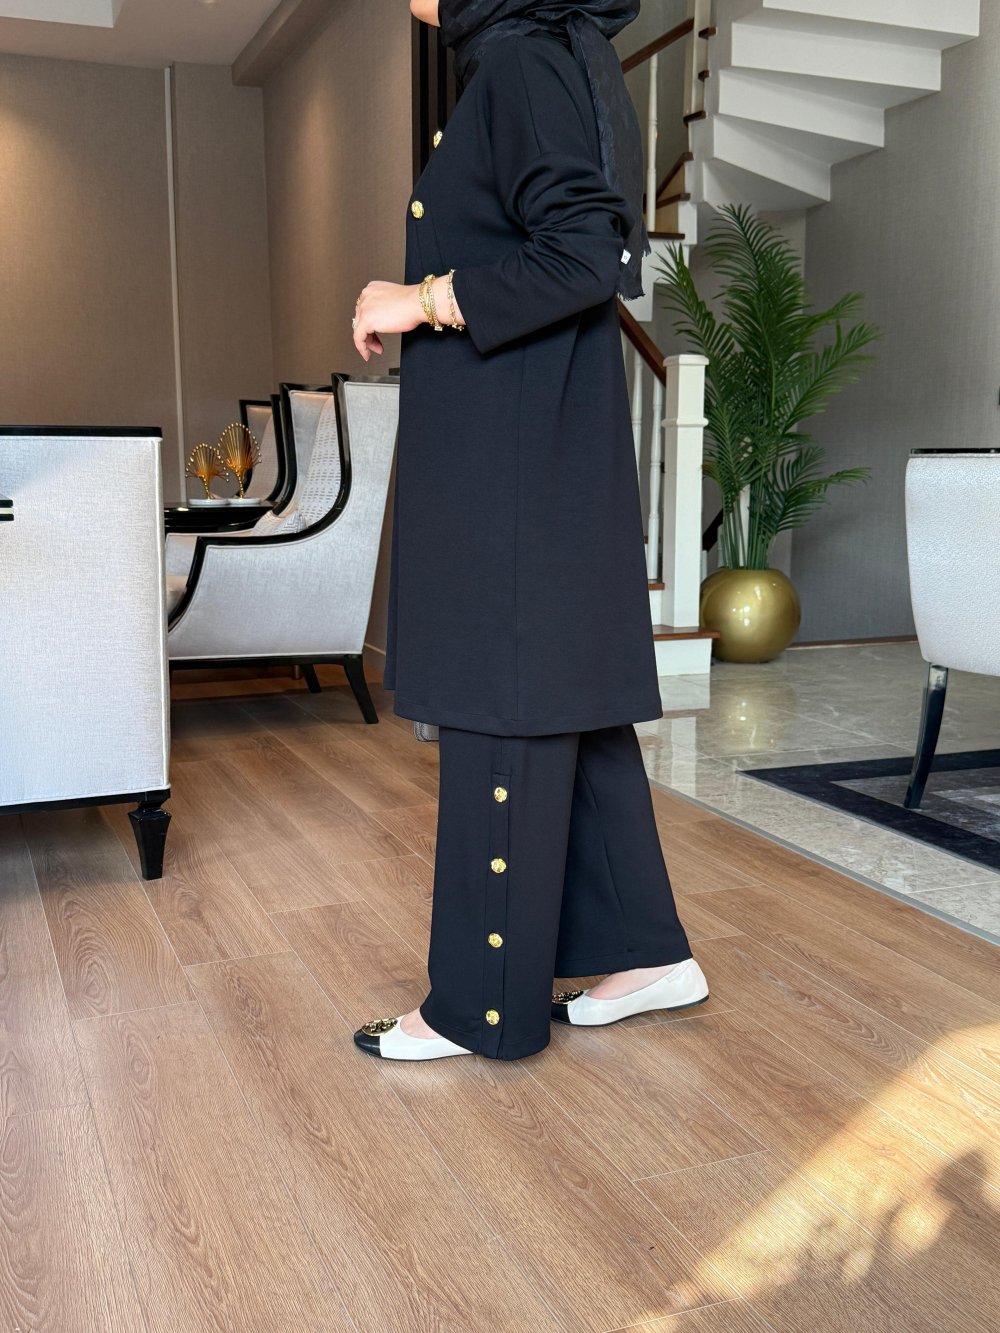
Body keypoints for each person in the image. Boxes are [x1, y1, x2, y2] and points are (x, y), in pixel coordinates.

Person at [350, 0, 708, 1062]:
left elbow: (587, 253)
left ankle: (481, 1006)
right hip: (533, 444)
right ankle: (646, 951)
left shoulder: (519, 60)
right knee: (565, 701)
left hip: (514, 455)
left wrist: (421, 299)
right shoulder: (542, 51)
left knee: (503, 700)